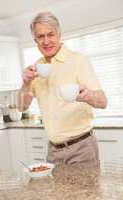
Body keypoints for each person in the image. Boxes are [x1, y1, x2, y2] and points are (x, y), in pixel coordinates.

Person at [18, 12, 107, 166]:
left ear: (59, 34)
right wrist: (26, 83)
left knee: (85, 191)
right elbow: (21, 107)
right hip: (53, 151)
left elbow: (103, 101)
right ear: (35, 40)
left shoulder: (78, 60)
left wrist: (87, 95)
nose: (46, 41)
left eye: (50, 34)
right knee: (57, 191)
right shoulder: (36, 68)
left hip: (81, 148)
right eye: (40, 37)